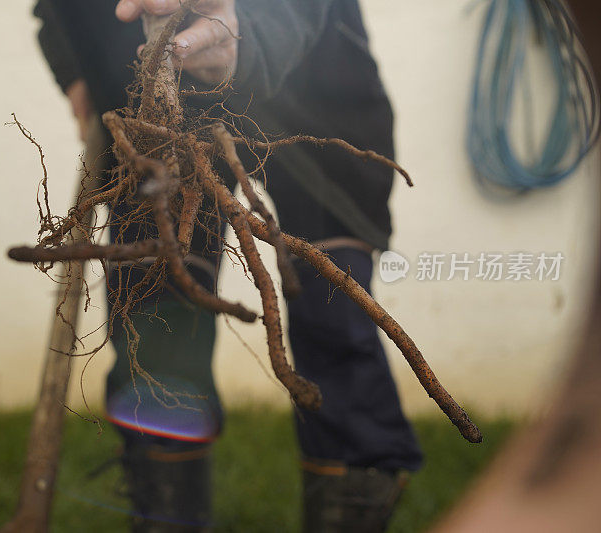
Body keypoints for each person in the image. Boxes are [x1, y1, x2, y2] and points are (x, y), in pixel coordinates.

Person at [33, 1, 423, 531]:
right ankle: (165, 512)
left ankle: (350, 500)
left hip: (314, 90)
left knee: (332, 304)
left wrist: (253, 34)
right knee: (158, 316)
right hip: (150, 111)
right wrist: (73, 65)